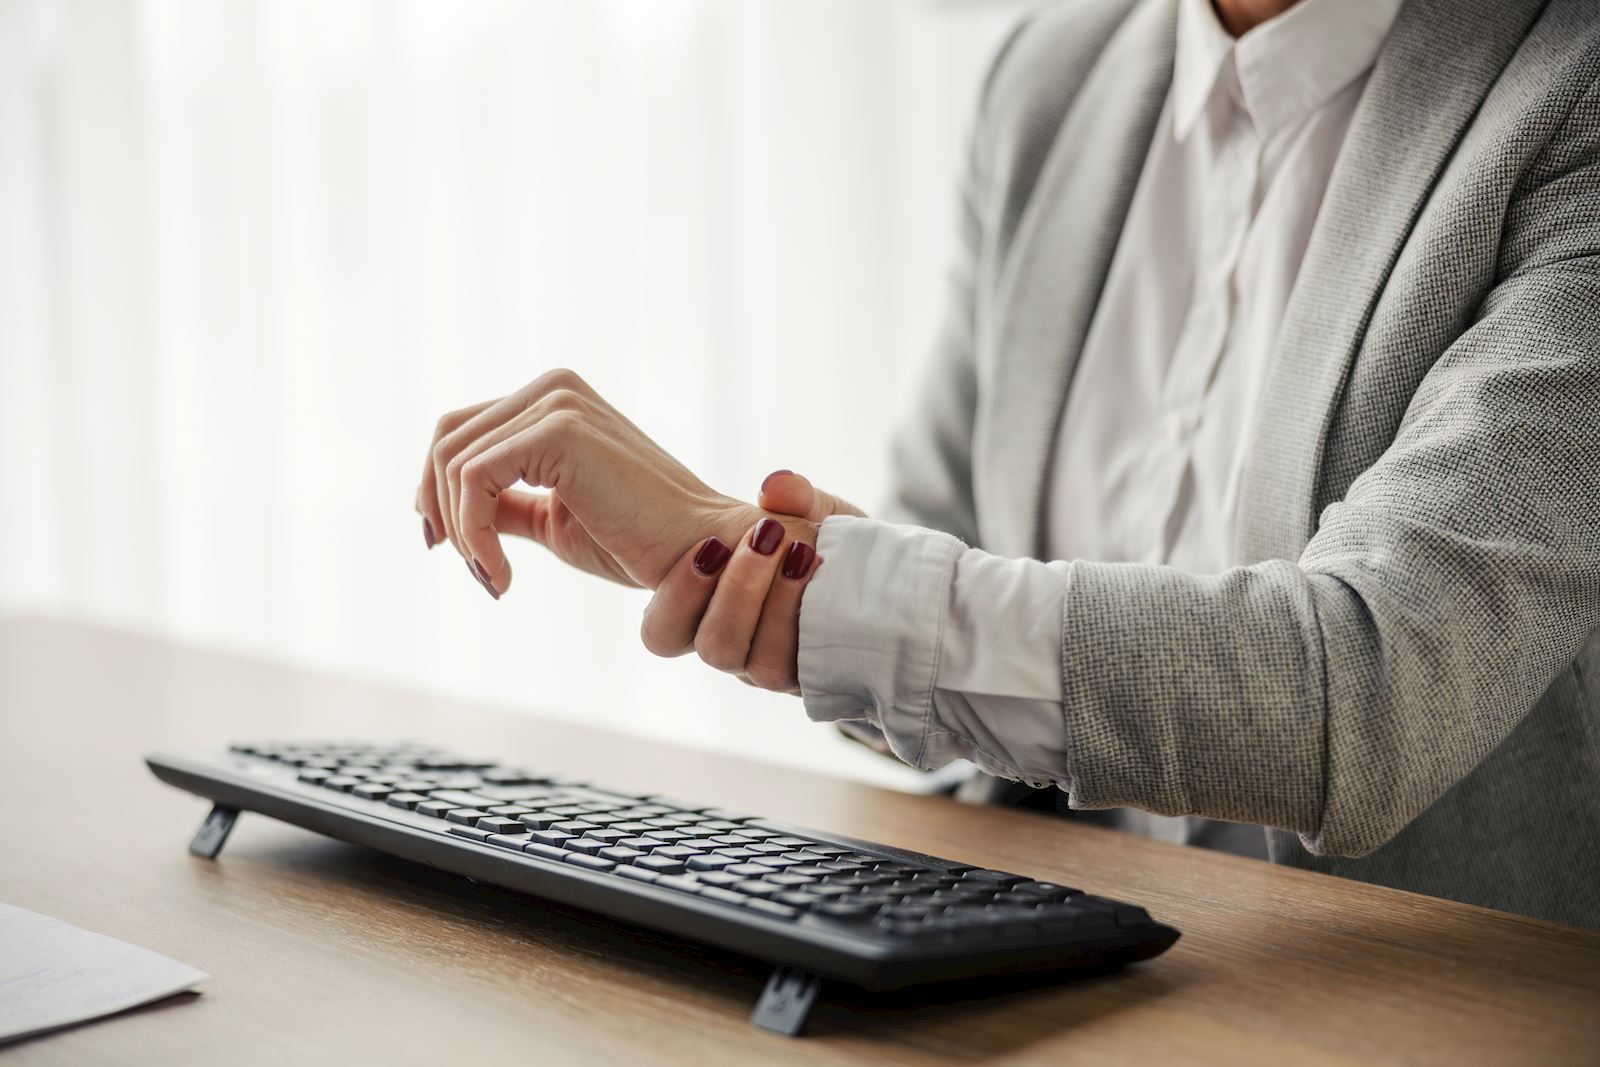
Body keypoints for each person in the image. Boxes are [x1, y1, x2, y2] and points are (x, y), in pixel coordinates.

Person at [415, 0, 1600, 929]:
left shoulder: (1567, 84)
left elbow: (1371, 690)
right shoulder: (1052, 78)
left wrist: (838, 589)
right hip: (1068, 960)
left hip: (1410, 1003)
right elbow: (938, 556)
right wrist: (758, 568)